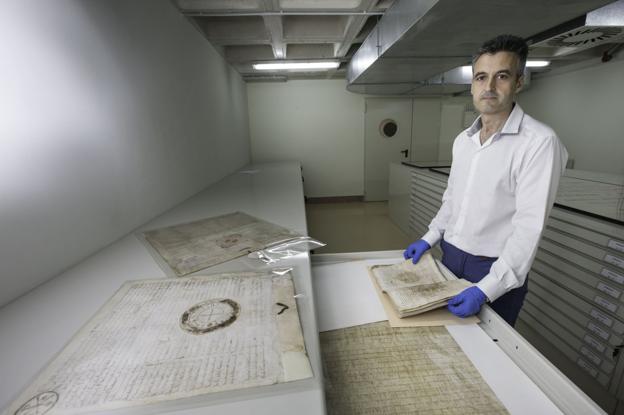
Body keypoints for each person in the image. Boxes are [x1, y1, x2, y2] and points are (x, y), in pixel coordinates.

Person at [403, 34, 568, 326]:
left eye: (501, 76)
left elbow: (528, 229)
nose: (489, 87)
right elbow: (452, 199)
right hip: (450, 257)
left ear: (519, 81)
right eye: (481, 77)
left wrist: (486, 289)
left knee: (485, 357)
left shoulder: (540, 143)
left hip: (493, 270)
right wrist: (430, 237)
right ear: (472, 85)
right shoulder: (463, 141)